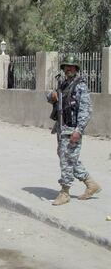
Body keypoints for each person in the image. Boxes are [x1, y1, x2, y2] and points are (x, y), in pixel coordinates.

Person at [47, 55, 101, 206]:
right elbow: (53, 98)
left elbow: (86, 110)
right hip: (62, 128)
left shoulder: (80, 86)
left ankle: (65, 192)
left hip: (72, 129)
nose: (68, 69)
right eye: (66, 66)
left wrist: (79, 130)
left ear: (76, 69)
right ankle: (91, 184)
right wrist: (51, 96)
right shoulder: (63, 84)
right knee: (68, 157)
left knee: (66, 159)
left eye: (72, 67)